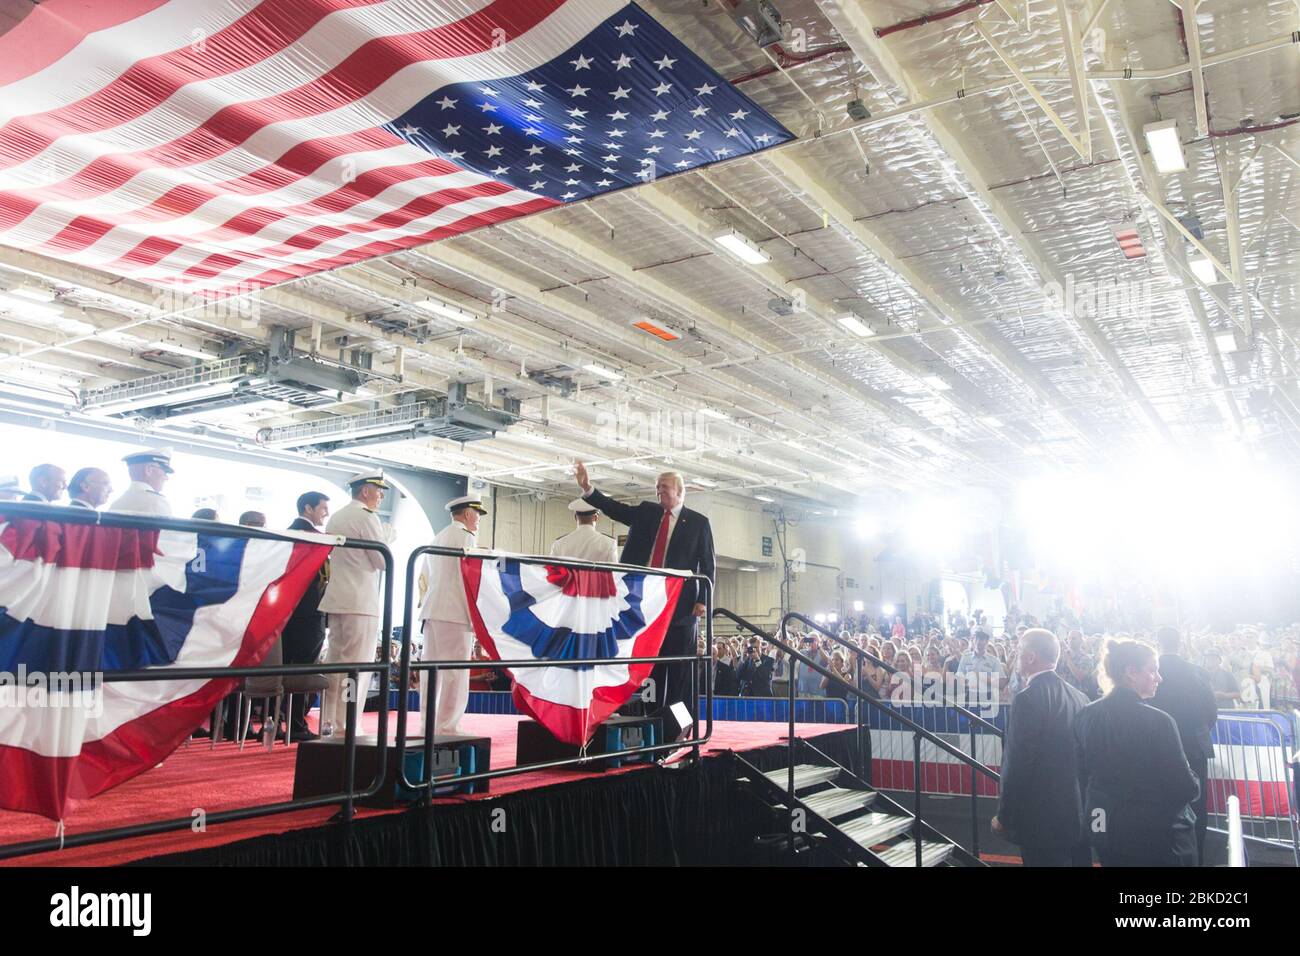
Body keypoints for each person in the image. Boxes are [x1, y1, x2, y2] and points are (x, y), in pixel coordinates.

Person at [573, 462, 715, 730]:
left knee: (679, 669)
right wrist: (588, 489)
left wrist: (703, 601)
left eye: (664, 486)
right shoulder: (648, 513)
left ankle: (679, 728)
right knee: (650, 669)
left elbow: (708, 566)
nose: (658, 490)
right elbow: (615, 509)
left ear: (680, 491)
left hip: (680, 609)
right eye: (657, 486)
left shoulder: (698, 523)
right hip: (643, 606)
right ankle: (652, 722)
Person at [1075, 639, 1200, 867]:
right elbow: (1183, 786)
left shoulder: (1085, 716)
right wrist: (1195, 783)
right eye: (1153, 670)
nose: (1159, 678)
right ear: (1131, 672)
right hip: (1154, 836)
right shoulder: (1159, 721)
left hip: (1104, 828)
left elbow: (1082, 775)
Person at [992, 629, 1089, 866]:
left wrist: (1004, 815)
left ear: (1031, 657)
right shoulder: (1078, 697)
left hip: (1040, 819)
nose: (1015, 656)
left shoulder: (1027, 699)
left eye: (1019, 651)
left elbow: (1017, 763)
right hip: (1074, 812)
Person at [317, 471, 389, 737]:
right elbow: (381, 561)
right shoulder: (366, 517)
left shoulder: (337, 516)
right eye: (378, 491)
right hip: (360, 600)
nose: (381, 496)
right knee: (356, 665)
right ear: (365, 491)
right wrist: (388, 538)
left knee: (336, 663)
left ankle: (330, 721)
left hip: (338, 597)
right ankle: (347, 724)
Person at [418, 494, 487, 737]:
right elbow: (473, 577)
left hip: (432, 610)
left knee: (431, 672)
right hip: (455, 611)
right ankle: (448, 725)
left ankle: (427, 724)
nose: (478, 521)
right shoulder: (466, 537)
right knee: (455, 673)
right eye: (477, 515)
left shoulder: (438, 537)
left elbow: (425, 577)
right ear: (468, 514)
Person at [1150, 626, 1218, 865]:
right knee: (1197, 806)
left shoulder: (1149, 671)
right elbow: (1211, 712)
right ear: (1180, 644)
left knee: (1160, 804)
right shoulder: (1197, 672)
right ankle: (1196, 858)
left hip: (1155, 749)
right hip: (1193, 746)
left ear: (1158, 642)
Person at [281, 491, 331, 740]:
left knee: (287, 668)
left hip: (290, 613)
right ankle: (296, 723)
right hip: (309, 613)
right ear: (308, 509)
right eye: (323, 508)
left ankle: (284, 720)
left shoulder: (289, 533)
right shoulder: (311, 537)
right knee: (303, 670)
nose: (326, 514)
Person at [549, 498, 618, 563]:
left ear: (576, 517)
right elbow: (614, 572)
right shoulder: (609, 542)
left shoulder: (559, 543)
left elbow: (551, 570)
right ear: (596, 517)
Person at [109, 447, 173, 516]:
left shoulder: (116, 504)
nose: (166, 478)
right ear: (149, 470)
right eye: (165, 472)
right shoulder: (157, 502)